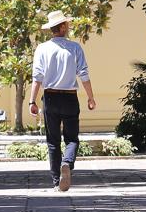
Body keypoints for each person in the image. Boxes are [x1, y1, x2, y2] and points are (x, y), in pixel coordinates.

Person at [28, 10, 96, 191]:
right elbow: (84, 75)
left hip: (50, 97)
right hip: (70, 98)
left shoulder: (42, 48)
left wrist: (32, 101)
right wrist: (90, 97)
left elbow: (37, 77)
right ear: (63, 26)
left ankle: (56, 181)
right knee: (72, 139)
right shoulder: (75, 48)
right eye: (67, 24)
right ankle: (67, 162)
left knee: (52, 141)